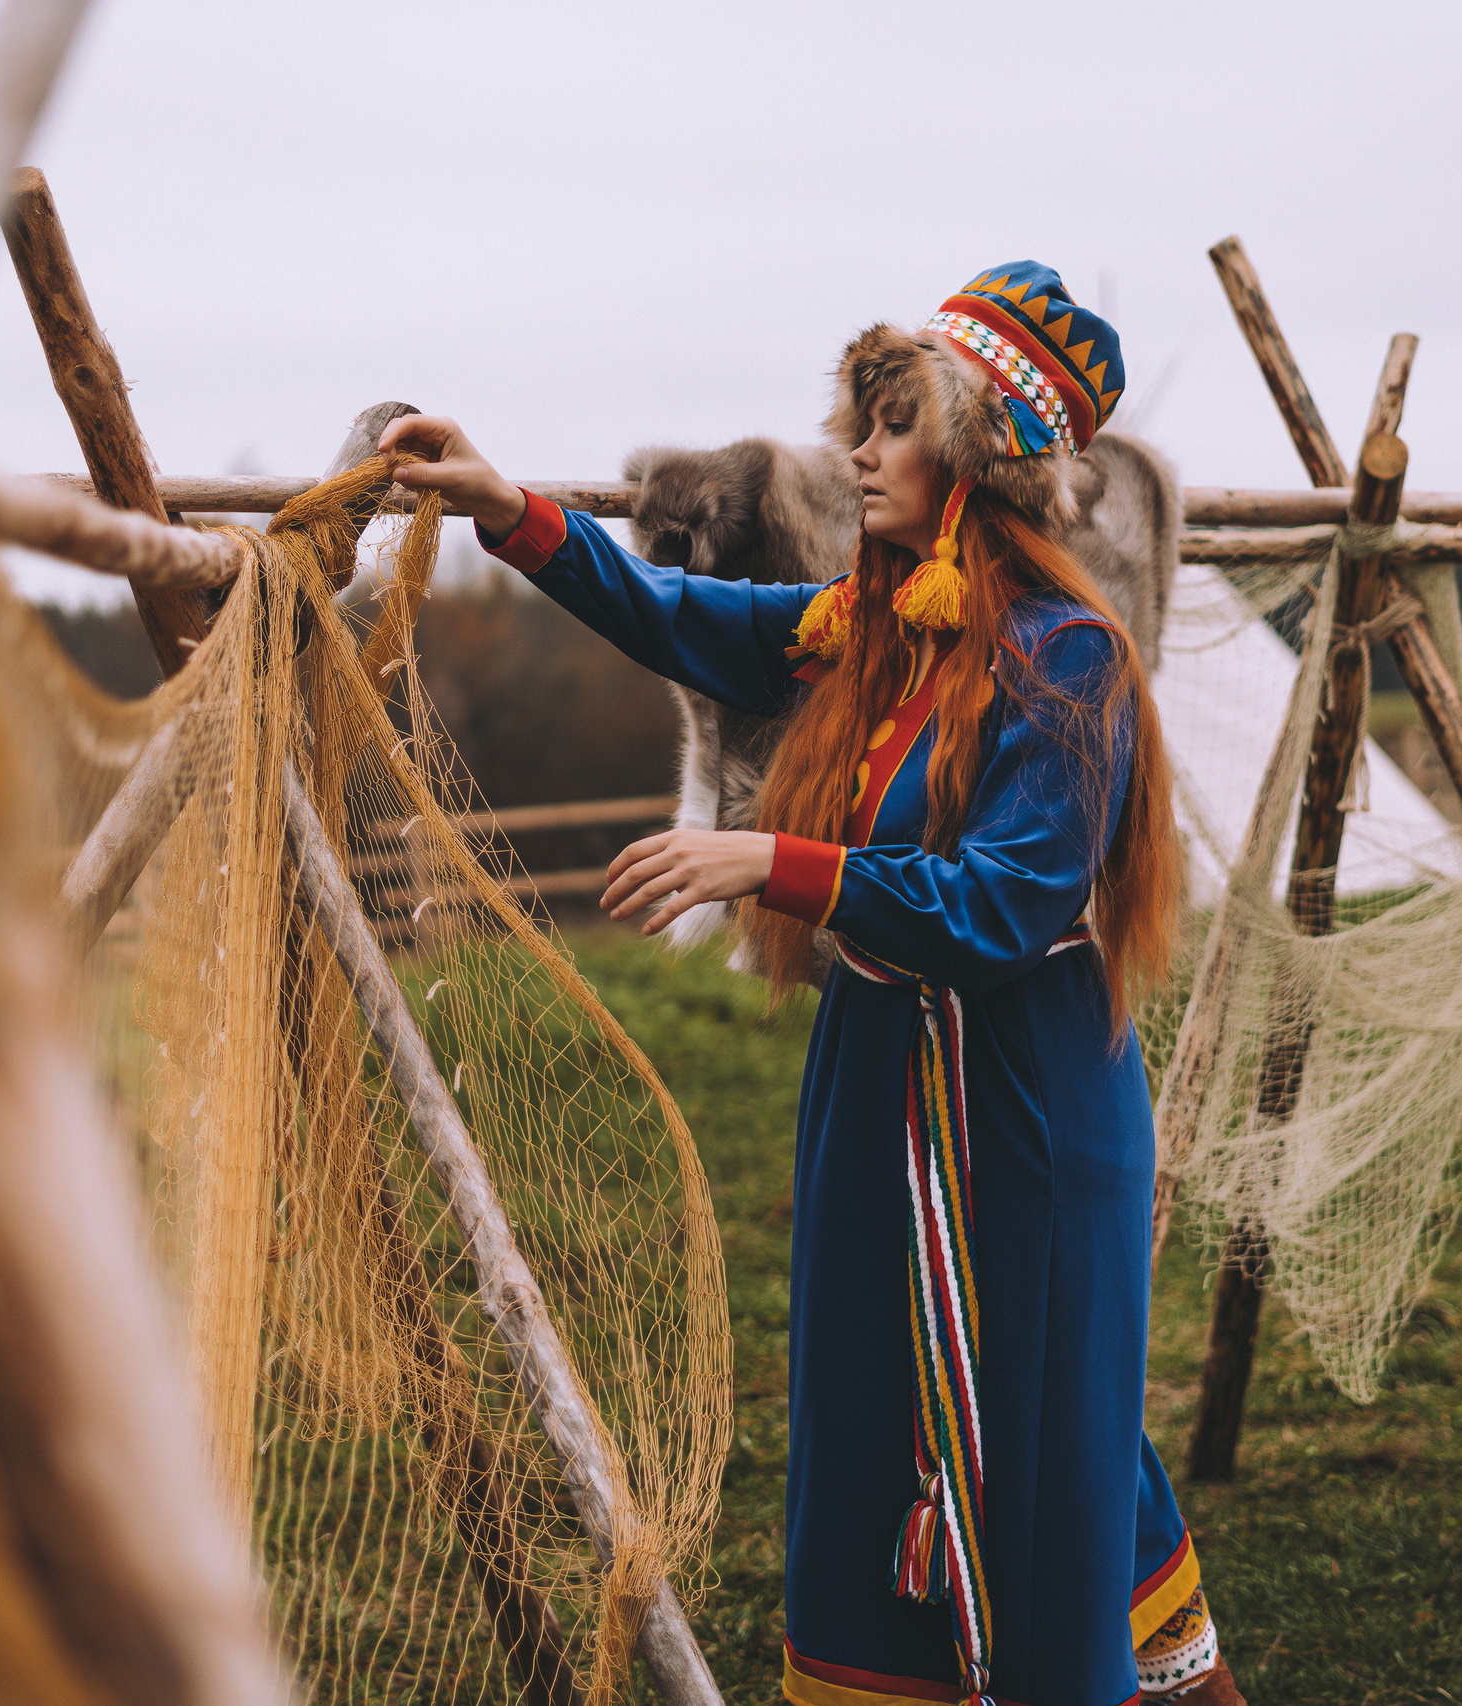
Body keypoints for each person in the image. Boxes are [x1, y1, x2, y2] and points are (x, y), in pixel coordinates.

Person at [382, 263, 1239, 1706]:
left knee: (1034, 1445)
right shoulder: (881, 631)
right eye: (865, 417)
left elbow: (1005, 900)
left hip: (1020, 1113)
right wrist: (505, 508)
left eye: (896, 423)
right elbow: (686, 616)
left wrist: (769, 859)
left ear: (971, 458)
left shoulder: (1067, 657)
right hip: (884, 1087)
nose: (858, 450)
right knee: (880, 1419)